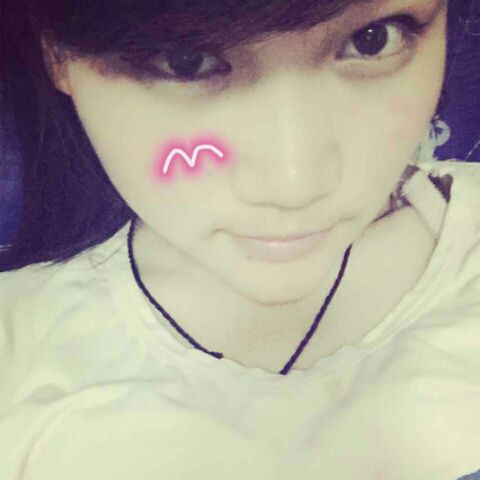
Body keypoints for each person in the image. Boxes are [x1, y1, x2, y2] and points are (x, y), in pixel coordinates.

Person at [0, 0, 479, 478]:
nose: (294, 186)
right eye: (184, 60)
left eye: (371, 41)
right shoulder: (18, 357)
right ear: (57, 55)